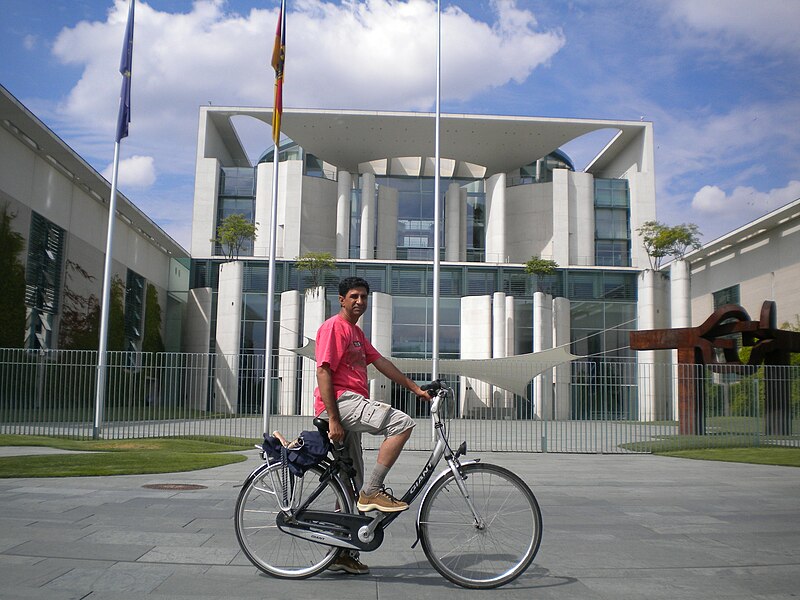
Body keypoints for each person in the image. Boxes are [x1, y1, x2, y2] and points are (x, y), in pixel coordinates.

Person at [314, 276, 430, 574]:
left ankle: (339, 553)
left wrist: (414, 388)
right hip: (341, 403)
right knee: (401, 422)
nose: (359, 302)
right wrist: (334, 418)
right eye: (354, 296)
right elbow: (324, 372)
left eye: (364, 297)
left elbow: (381, 362)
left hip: (347, 406)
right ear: (341, 299)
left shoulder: (355, 333)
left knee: (348, 484)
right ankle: (374, 490)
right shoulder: (333, 328)